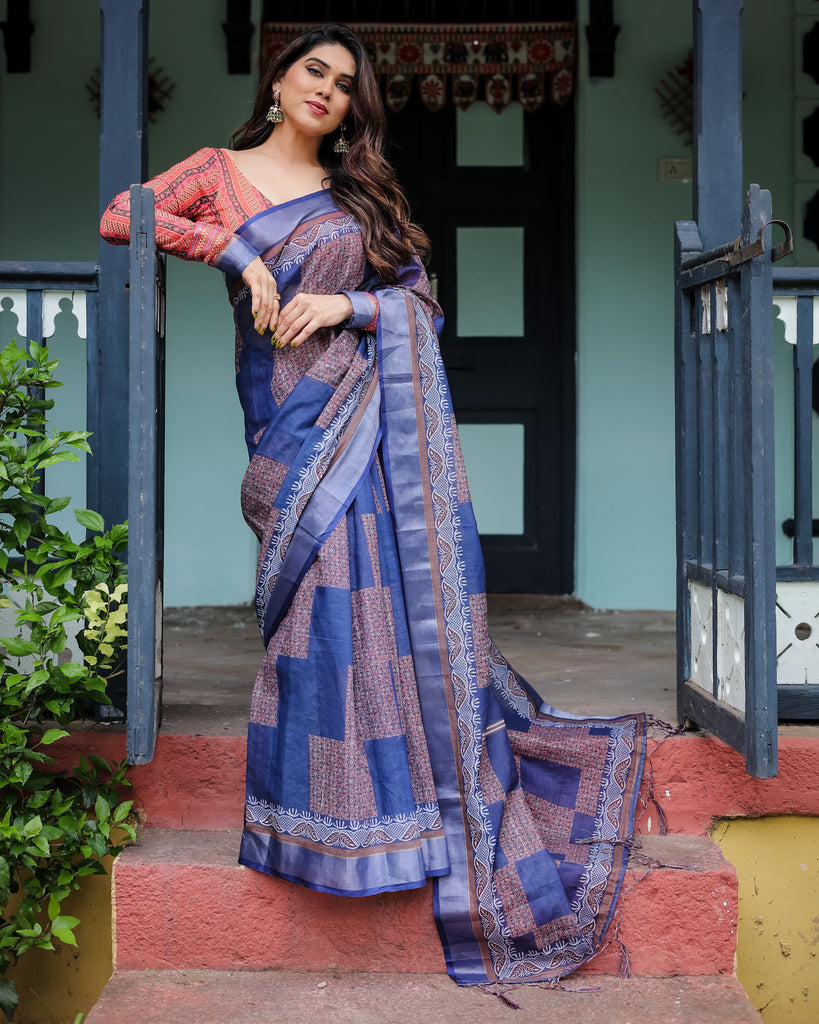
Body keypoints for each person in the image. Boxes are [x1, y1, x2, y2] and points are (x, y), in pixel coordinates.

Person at [100, 22, 646, 988]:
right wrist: (240, 256)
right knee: (309, 614)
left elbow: (421, 303)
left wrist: (349, 307)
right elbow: (123, 215)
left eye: (346, 84)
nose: (327, 91)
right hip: (284, 431)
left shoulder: (358, 194)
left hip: (366, 420)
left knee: (373, 611)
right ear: (279, 78)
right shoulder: (217, 173)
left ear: (354, 107)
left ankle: (389, 811)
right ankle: (313, 817)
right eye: (314, 70)